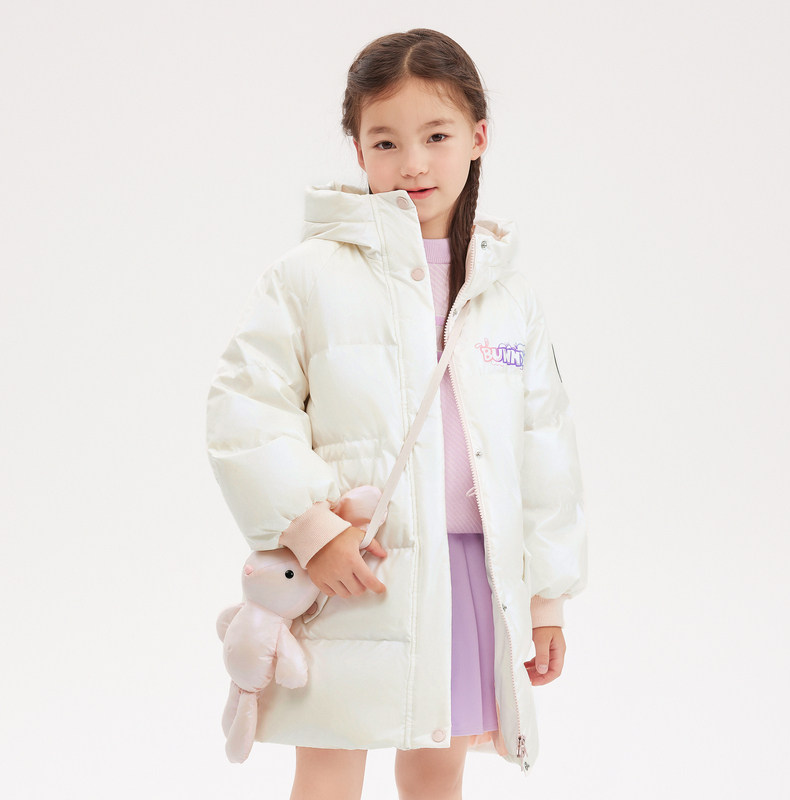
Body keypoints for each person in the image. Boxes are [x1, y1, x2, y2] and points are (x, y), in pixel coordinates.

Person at [206, 27, 587, 800]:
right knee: (329, 762)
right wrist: (314, 532)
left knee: (438, 762)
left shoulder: (506, 295)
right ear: (358, 150)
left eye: (436, 136)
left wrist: (545, 598)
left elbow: (545, 449)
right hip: (355, 568)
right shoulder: (309, 276)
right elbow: (245, 413)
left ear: (479, 138)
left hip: (471, 572)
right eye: (386, 141)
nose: (413, 162)